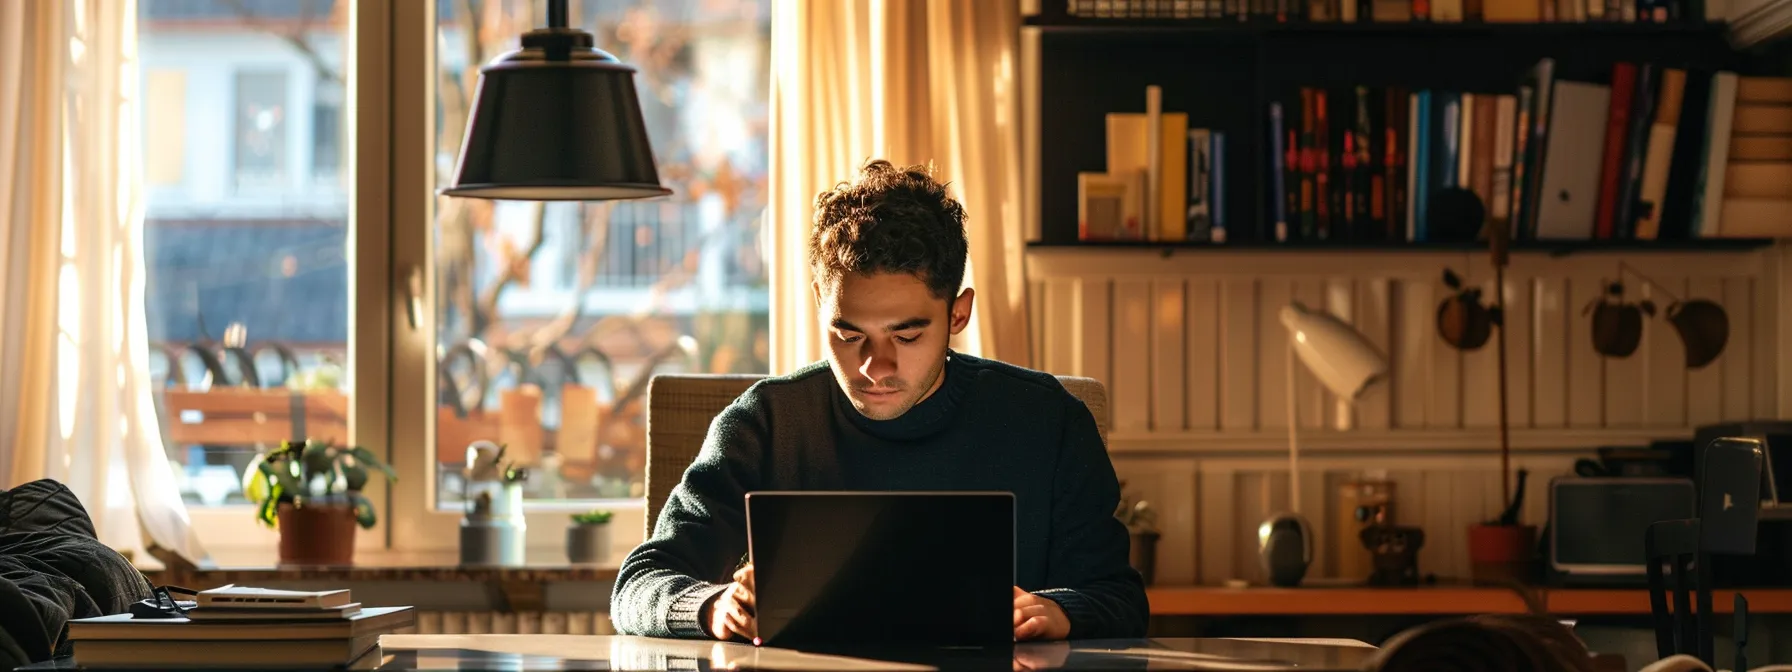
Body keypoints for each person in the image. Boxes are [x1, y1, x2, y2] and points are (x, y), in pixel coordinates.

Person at [609, 159, 1148, 643]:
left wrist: (1059, 611)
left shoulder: (1047, 421)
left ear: (957, 315)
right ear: (822, 306)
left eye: (907, 337)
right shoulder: (765, 424)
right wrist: (710, 606)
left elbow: (1120, 599)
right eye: (848, 335)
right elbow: (638, 584)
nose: (874, 366)